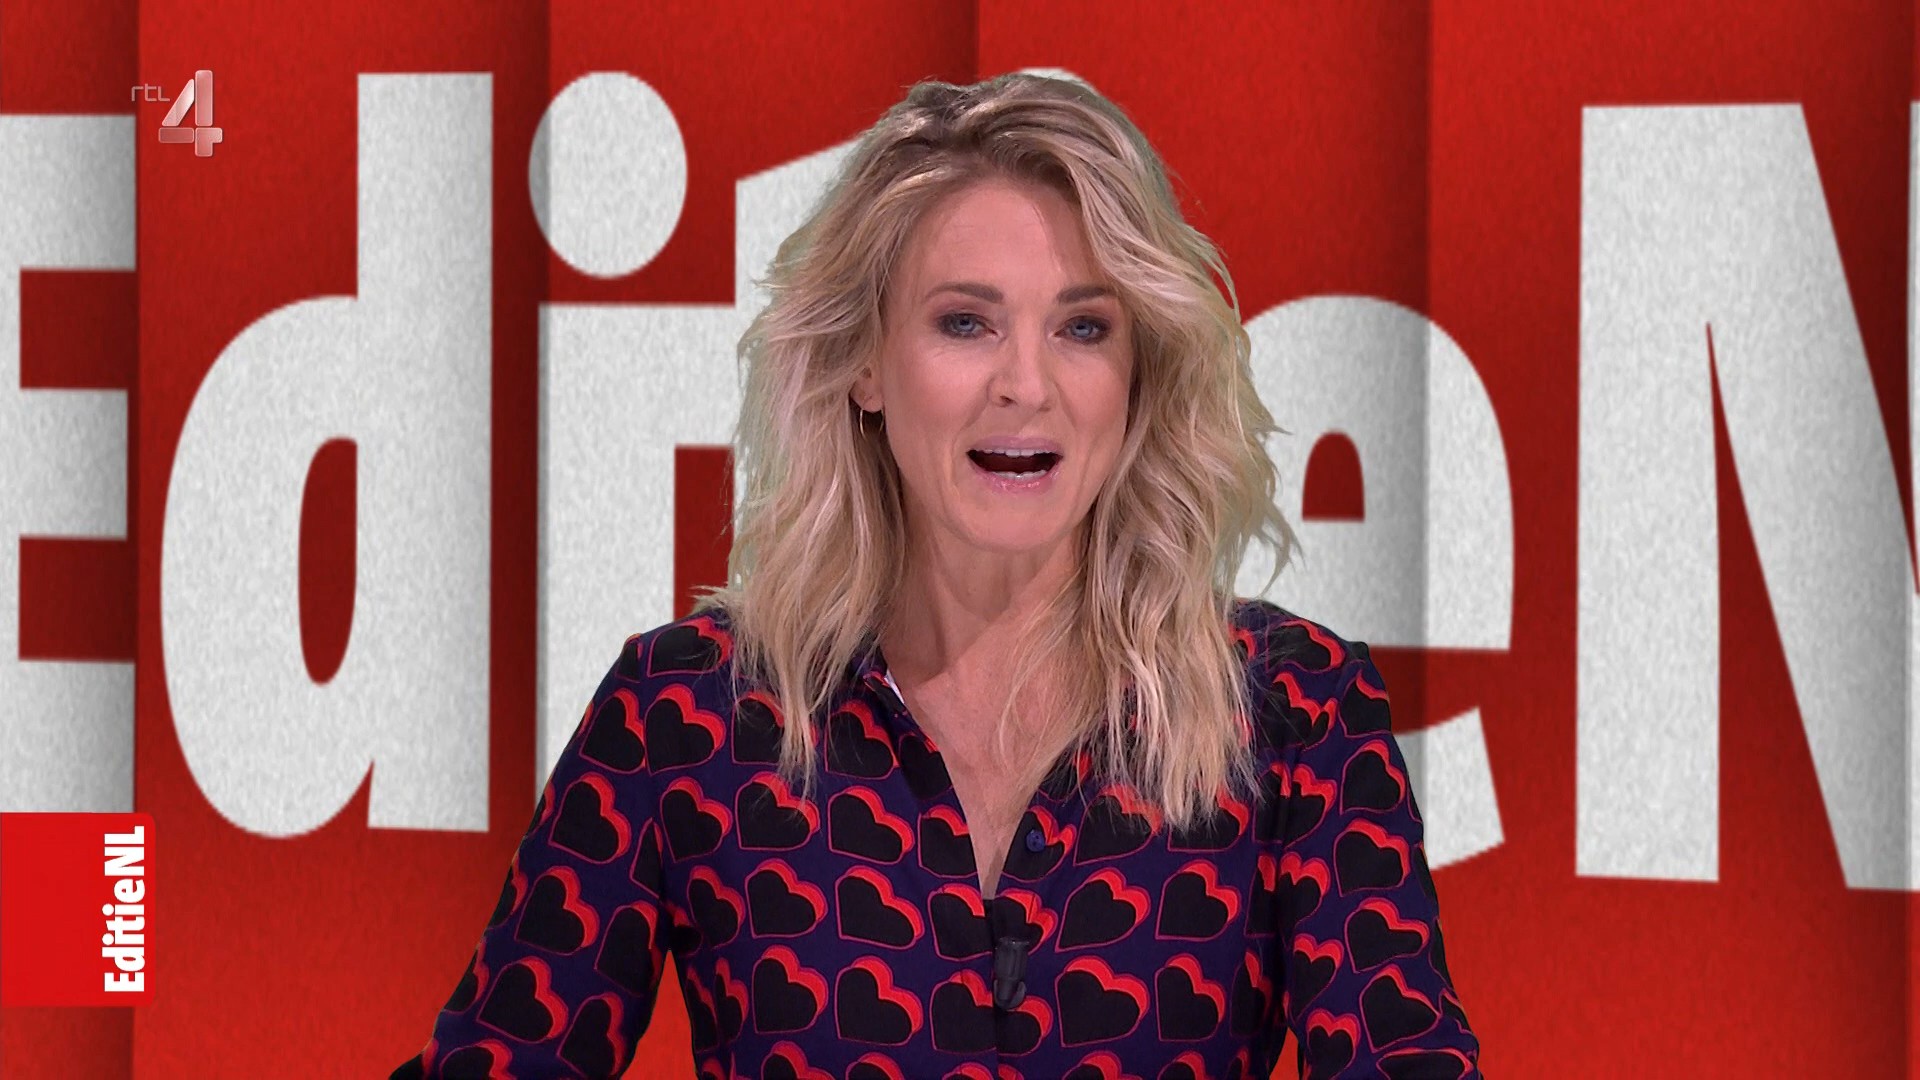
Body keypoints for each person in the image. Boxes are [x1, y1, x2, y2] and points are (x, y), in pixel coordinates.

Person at [392, 71, 1480, 1079]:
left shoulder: (1293, 713)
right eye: (966, 323)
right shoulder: (685, 715)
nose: (1026, 384)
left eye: (1083, 328)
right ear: (864, 363)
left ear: (1139, 375)